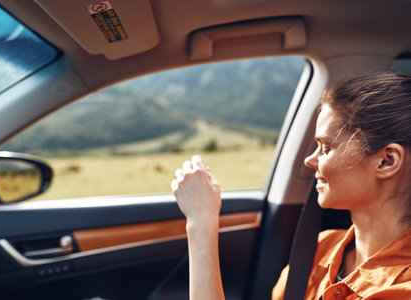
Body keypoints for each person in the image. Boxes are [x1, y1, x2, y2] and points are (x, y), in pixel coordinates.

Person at [171, 72, 411, 300]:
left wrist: (201, 223)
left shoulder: (402, 290)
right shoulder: (321, 248)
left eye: (326, 148)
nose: (310, 160)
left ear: (386, 161)